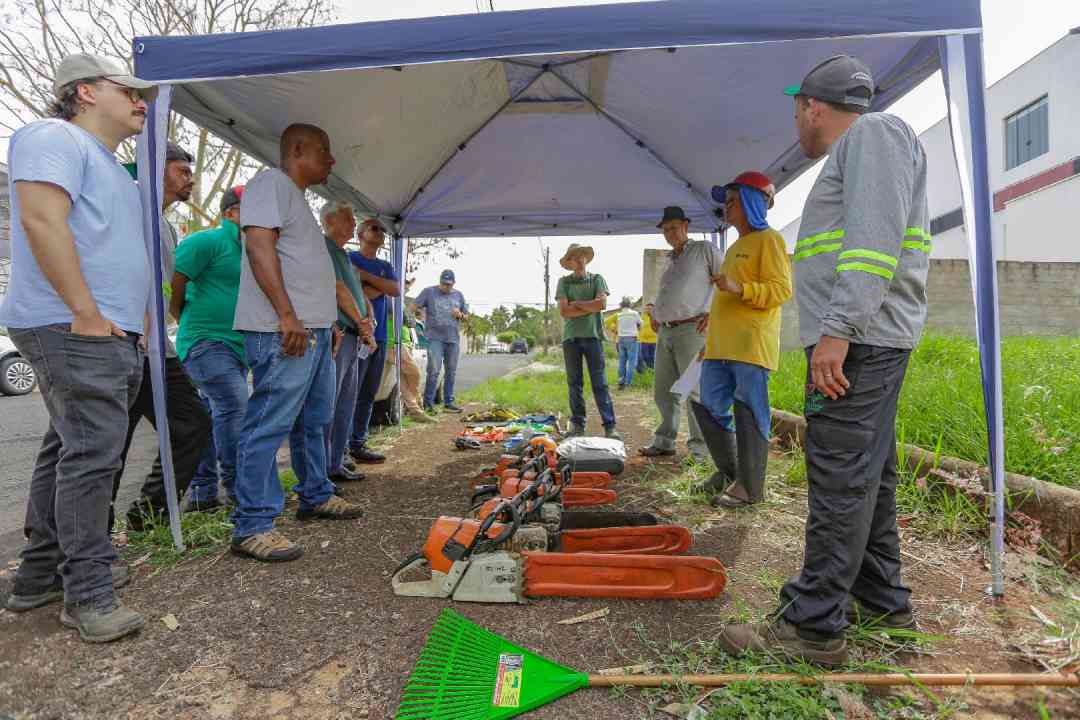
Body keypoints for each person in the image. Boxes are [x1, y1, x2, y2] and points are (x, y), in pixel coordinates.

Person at [717, 55, 930, 667]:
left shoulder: (872, 134)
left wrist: (838, 331)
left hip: (858, 342)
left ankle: (812, 627)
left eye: (797, 108)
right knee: (868, 477)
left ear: (813, 106)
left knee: (840, 478)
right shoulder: (866, 146)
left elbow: (872, 242)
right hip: (866, 338)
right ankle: (884, 604)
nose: (797, 120)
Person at [0, 53, 158, 641]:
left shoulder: (112, 167)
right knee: (93, 456)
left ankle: (38, 576)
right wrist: (86, 314)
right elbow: (42, 222)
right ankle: (87, 591)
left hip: (101, 328)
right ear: (86, 92)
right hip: (72, 325)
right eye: (131, 91)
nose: (143, 101)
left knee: (69, 448)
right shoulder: (50, 136)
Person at [230, 123, 363, 563]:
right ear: (299, 149)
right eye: (325, 151)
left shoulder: (296, 200)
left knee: (316, 419)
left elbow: (302, 266)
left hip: (315, 330)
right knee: (268, 422)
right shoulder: (270, 183)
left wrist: (327, 321)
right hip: (283, 330)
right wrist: (288, 315)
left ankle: (315, 493)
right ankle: (253, 524)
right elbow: (259, 248)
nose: (332, 160)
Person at [110, 141, 212, 530]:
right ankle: (91, 539)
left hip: (158, 350)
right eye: (181, 170)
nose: (190, 178)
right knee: (110, 443)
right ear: (155, 169)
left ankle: (149, 513)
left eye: (190, 171)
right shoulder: (128, 206)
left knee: (194, 423)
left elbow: (166, 291)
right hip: (123, 342)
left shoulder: (168, 227)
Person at [691, 172, 791, 509]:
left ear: (751, 203)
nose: (726, 209)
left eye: (732, 202)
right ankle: (728, 473)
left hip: (750, 345)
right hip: (721, 347)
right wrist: (711, 339)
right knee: (710, 406)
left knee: (749, 410)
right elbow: (724, 301)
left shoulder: (770, 241)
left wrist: (741, 288)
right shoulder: (735, 246)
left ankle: (750, 487)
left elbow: (781, 290)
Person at [171, 185, 249, 512]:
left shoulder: (258, 250)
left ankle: (203, 491)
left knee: (209, 416)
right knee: (235, 404)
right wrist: (185, 318)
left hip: (239, 348)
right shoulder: (206, 242)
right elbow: (173, 283)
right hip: (205, 342)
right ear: (231, 212)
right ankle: (238, 489)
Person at [640, 206, 722, 461]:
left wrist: (712, 312)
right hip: (666, 332)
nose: (669, 233)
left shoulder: (704, 250)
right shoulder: (671, 260)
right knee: (663, 391)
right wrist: (656, 311)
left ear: (686, 226)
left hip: (692, 329)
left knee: (693, 390)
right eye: (665, 229)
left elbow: (725, 280)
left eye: (674, 227)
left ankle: (701, 450)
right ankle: (664, 441)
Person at [320, 200, 376, 484]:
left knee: (345, 402)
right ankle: (324, 469)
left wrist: (367, 315)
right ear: (330, 220)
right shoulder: (324, 248)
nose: (354, 225)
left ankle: (336, 462)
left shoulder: (342, 254)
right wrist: (363, 324)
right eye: (348, 219)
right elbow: (338, 290)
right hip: (340, 335)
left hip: (354, 336)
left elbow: (354, 289)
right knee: (330, 404)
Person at [347, 217, 400, 464]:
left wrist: (365, 278)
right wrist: (381, 286)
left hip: (379, 337)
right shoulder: (349, 258)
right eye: (374, 228)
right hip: (355, 335)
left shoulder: (385, 265)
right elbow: (350, 291)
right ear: (360, 233)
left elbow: (395, 290)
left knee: (368, 393)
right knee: (348, 393)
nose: (380, 232)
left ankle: (358, 443)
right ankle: (341, 448)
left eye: (382, 229)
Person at [555, 244, 620, 440]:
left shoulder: (597, 279)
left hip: (593, 337)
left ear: (586, 258)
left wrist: (577, 304)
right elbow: (564, 311)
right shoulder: (563, 282)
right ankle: (578, 425)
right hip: (571, 338)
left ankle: (610, 427)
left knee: (600, 383)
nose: (579, 259)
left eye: (582, 255)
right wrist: (589, 306)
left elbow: (602, 304)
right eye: (574, 257)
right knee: (575, 384)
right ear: (570, 262)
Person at [415, 269, 468, 413]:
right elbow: (414, 306)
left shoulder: (459, 295)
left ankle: (449, 403)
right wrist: (418, 315)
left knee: (451, 371)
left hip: (452, 339)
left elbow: (467, 317)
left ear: (454, 283)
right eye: (444, 284)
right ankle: (428, 404)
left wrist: (460, 315)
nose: (446, 287)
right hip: (434, 338)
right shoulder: (429, 292)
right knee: (434, 370)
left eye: (449, 284)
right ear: (440, 281)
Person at [613, 297, 641, 389]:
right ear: (630, 304)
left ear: (621, 305)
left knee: (622, 362)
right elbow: (641, 324)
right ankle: (628, 383)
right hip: (632, 339)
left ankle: (621, 381)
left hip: (621, 339)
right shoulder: (635, 314)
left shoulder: (619, 315)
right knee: (632, 362)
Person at [636, 302, 657, 372]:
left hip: (654, 341)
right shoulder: (641, 317)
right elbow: (637, 325)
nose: (648, 310)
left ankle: (651, 370)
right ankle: (647, 368)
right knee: (645, 356)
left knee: (653, 357)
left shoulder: (656, 317)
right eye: (647, 309)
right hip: (643, 341)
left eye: (650, 309)